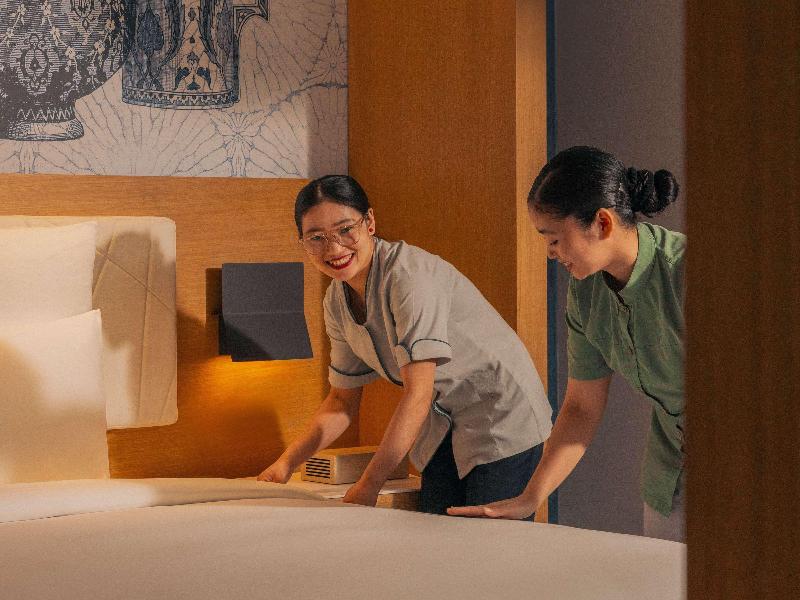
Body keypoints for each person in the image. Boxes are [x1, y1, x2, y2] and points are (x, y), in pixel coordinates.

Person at [257, 175, 553, 518]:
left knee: (488, 543)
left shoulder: (408, 278)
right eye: (316, 238)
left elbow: (418, 394)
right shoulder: (336, 302)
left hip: (500, 412)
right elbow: (341, 402)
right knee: (434, 536)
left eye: (345, 230)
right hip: (444, 422)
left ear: (369, 222)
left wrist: (369, 485)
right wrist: (286, 464)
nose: (334, 249)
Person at [448, 146, 686, 542]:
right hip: (671, 475)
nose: (550, 253)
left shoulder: (684, 273)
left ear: (602, 223)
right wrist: (530, 497)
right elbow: (581, 407)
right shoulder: (587, 291)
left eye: (555, 239)